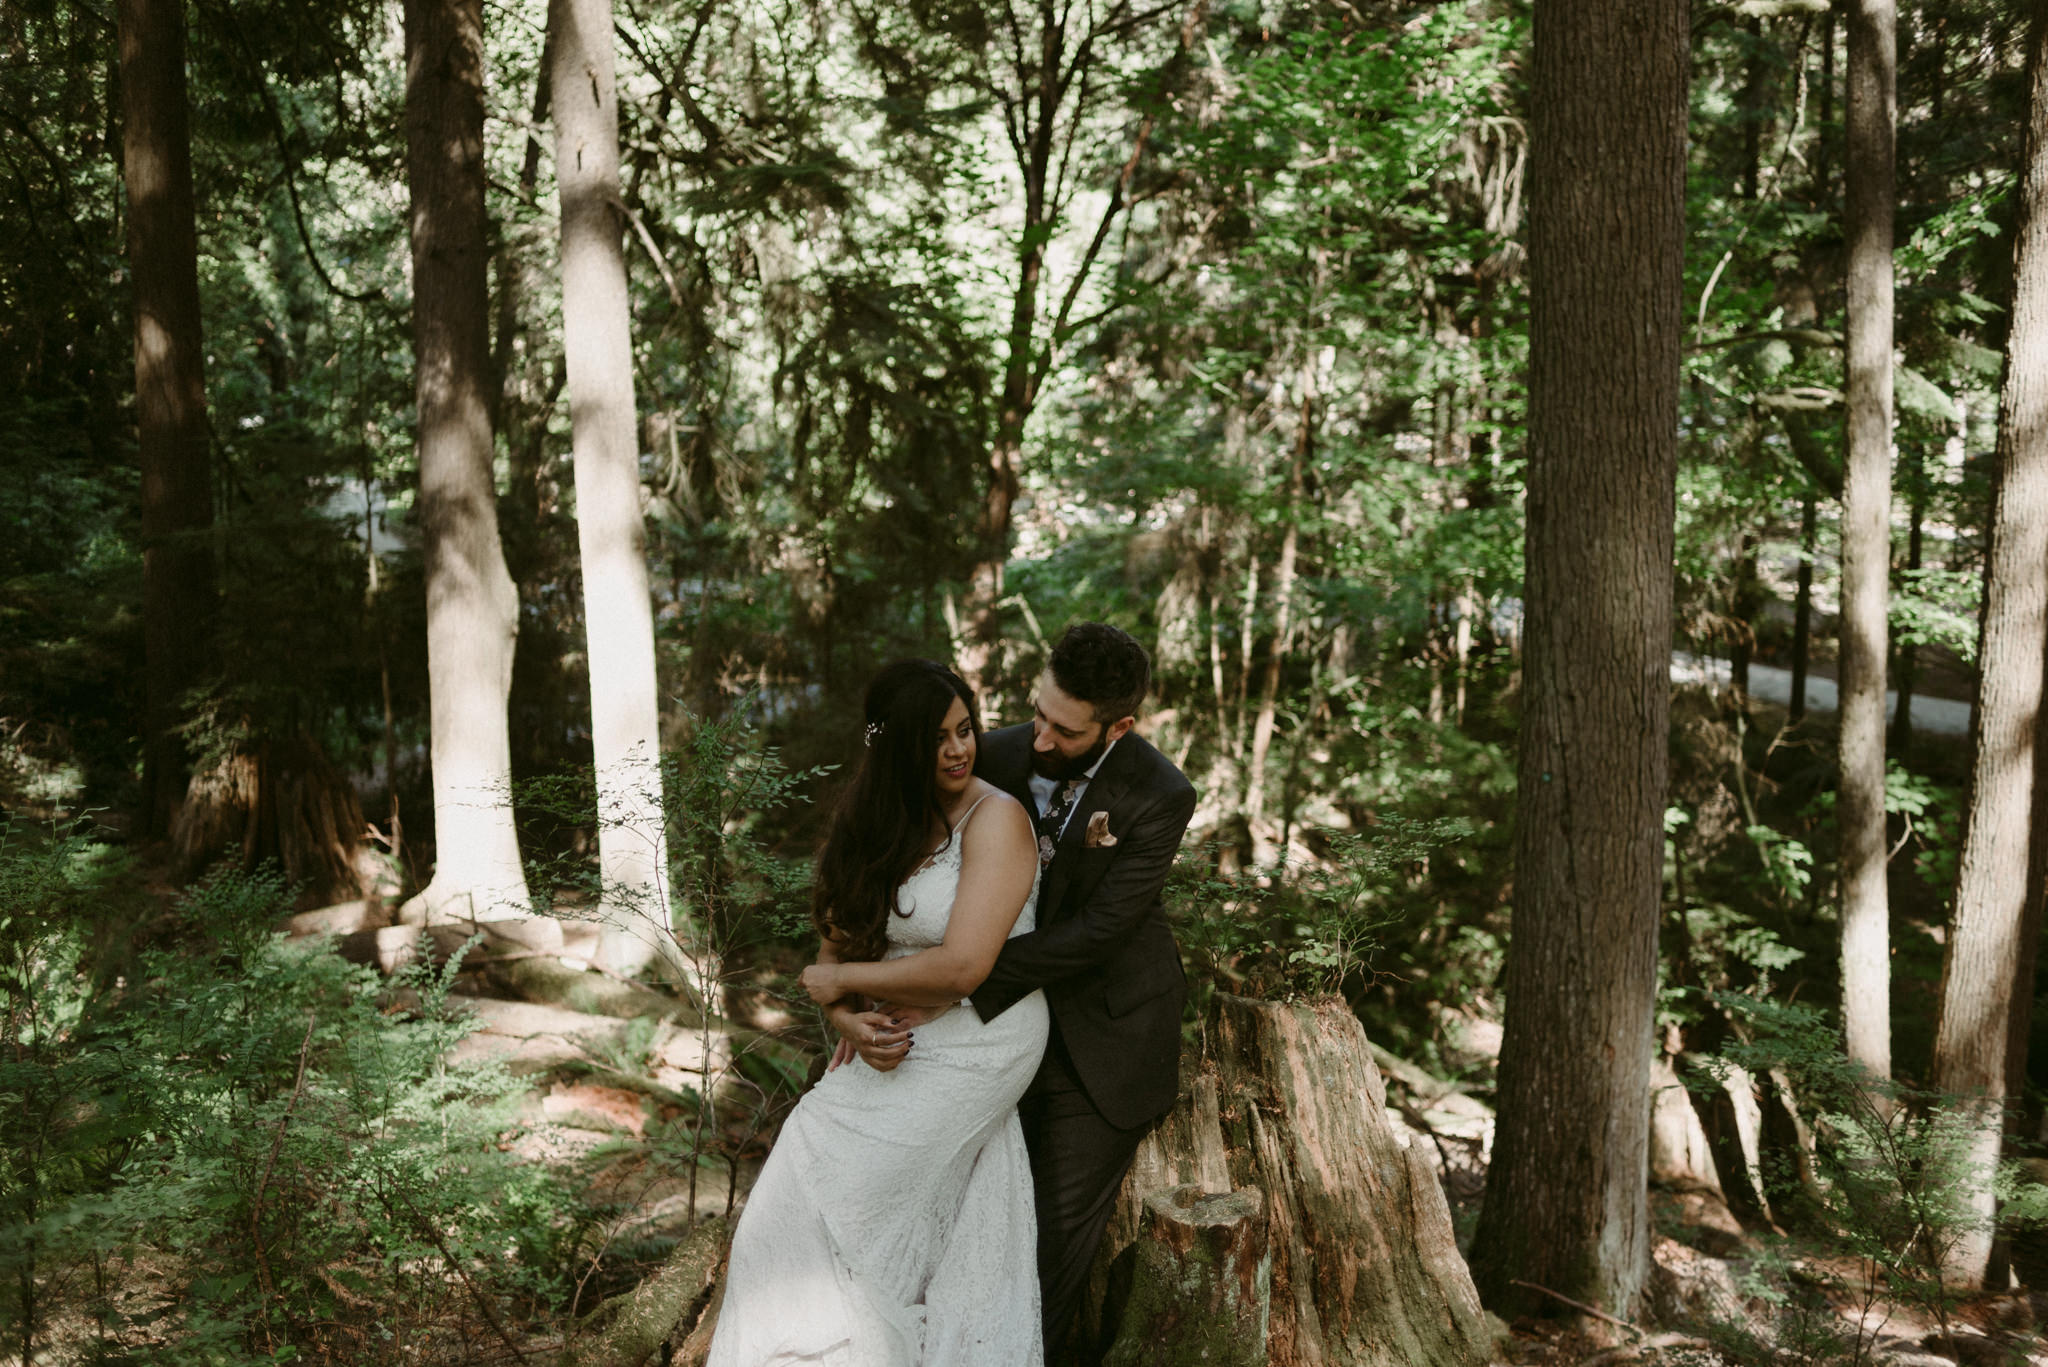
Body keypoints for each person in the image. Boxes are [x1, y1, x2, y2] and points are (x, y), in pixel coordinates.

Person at [830, 624, 1196, 1364]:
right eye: (1038, 711)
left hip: (1100, 1037)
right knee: (934, 1225)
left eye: (1066, 728)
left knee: (1035, 1260)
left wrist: (957, 980)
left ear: (1118, 727)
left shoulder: (1160, 792)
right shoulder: (984, 751)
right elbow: (891, 855)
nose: (1040, 736)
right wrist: (855, 998)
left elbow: (1100, 929)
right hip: (972, 1035)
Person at [705, 659, 1048, 1367]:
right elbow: (840, 944)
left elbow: (963, 966)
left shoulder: (998, 819)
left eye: (965, 729)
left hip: (984, 1037)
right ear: (895, 747)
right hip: (890, 1038)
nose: (957, 749)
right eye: (936, 737)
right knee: (785, 1205)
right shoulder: (876, 821)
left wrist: (836, 980)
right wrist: (847, 1019)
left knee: (852, 1211)